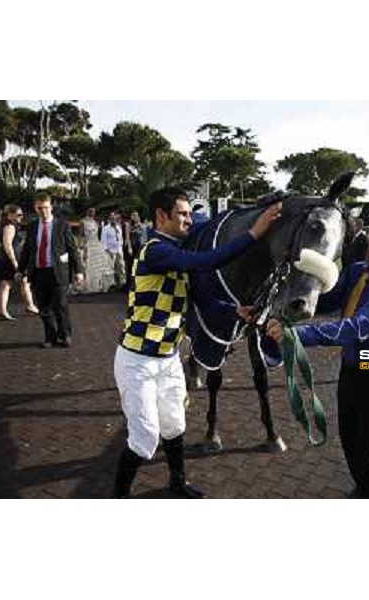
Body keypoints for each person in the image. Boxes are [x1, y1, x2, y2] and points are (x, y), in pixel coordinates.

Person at [112, 186, 282, 499]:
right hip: (138, 360)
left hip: (168, 359)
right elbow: (210, 260)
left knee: (175, 425)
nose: (190, 221)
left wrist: (235, 310)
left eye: (191, 214)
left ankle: (177, 484)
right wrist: (254, 233)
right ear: (161, 216)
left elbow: (202, 300)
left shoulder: (177, 258)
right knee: (146, 438)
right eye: (183, 214)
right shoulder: (156, 250)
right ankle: (119, 496)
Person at [258, 216, 369, 499]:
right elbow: (327, 302)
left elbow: (356, 328)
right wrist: (284, 307)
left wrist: (297, 336)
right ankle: (363, 491)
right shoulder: (357, 271)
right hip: (351, 368)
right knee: (349, 441)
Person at [18, 192, 84, 348]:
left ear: (51, 207)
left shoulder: (62, 225)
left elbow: (72, 249)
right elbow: (27, 249)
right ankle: (50, 337)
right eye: (40, 208)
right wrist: (21, 269)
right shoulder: (33, 226)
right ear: (35, 208)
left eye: (46, 208)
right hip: (39, 272)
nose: (43, 211)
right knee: (44, 308)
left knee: (60, 305)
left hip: (58, 271)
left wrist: (78, 271)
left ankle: (65, 335)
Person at [0, 204, 39, 320]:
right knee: (7, 284)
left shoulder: (9, 225)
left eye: (21, 214)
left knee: (21, 282)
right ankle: (3, 310)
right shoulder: (9, 226)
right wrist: (15, 262)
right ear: (10, 215)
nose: (21, 217)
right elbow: (7, 245)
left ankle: (30, 306)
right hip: (9, 259)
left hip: (9, 258)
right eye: (19, 214)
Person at [79, 208, 114, 294]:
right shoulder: (82, 221)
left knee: (102, 263)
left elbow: (97, 235)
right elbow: (81, 235)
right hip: (88, 244)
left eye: (94, 212)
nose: (93, 213)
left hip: (96, 243)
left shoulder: (95, 222)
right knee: (89, 265)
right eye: (91, 212)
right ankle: (90, 286)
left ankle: (99, 286)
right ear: (88, 212)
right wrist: (82, 246)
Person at [101, 212, 126, 289]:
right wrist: (108, 250)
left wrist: (120, 245)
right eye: (111, 218)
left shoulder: (118, 227)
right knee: (111, 268)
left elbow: (120, 238)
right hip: (110, 251)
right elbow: (103, 241)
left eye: (114, 218)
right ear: (109, 219)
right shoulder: (105, 228)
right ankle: (112, 284)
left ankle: (122, 283)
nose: (113, 219)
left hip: (119, 250)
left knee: (121, 267)